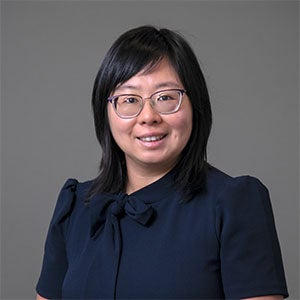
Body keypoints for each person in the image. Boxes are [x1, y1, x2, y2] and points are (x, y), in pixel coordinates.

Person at [36, 25, 288, 299]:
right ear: (105, 112)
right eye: (129, 99)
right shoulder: (75, 207)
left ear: (196, 104)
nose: (148, 116)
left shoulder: (235, 204)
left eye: (166, 97)